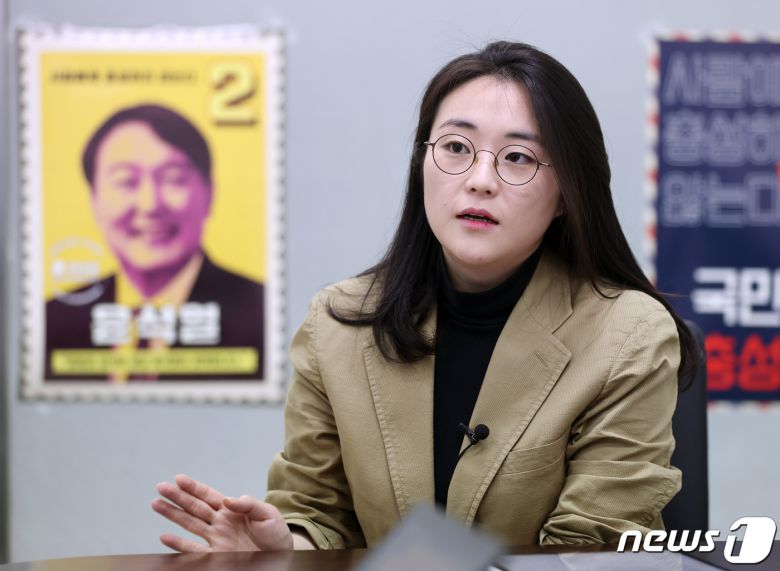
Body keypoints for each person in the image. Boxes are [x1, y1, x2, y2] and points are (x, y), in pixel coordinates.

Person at [152, 41, 698, 549]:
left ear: (566, 195)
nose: (480, 179)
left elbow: (592, 548)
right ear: (421, 166)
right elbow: (318, 514)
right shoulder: (338, 327)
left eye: (518, 157)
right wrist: (284, 550)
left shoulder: (626, 335)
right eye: (456, 147)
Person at [45, 104, 264, 381]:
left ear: (209, 193)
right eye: (126, 181)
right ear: (94, 200)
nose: (150, 205)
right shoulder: (53, 321)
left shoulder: (261, 313)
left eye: (173, 179)